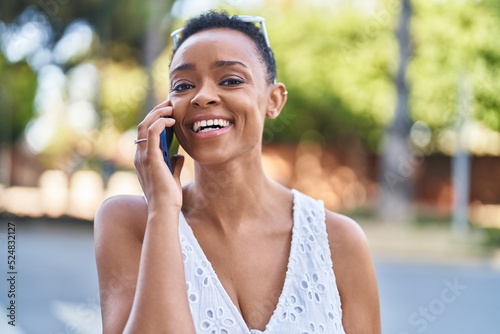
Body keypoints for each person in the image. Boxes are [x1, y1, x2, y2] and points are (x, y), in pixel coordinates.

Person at [94, 10, 380, 334]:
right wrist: (162, 210)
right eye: (183, 85)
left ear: (274, 100)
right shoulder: (129, 222)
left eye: (230, 80)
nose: (203, 96)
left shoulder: (340, 241)